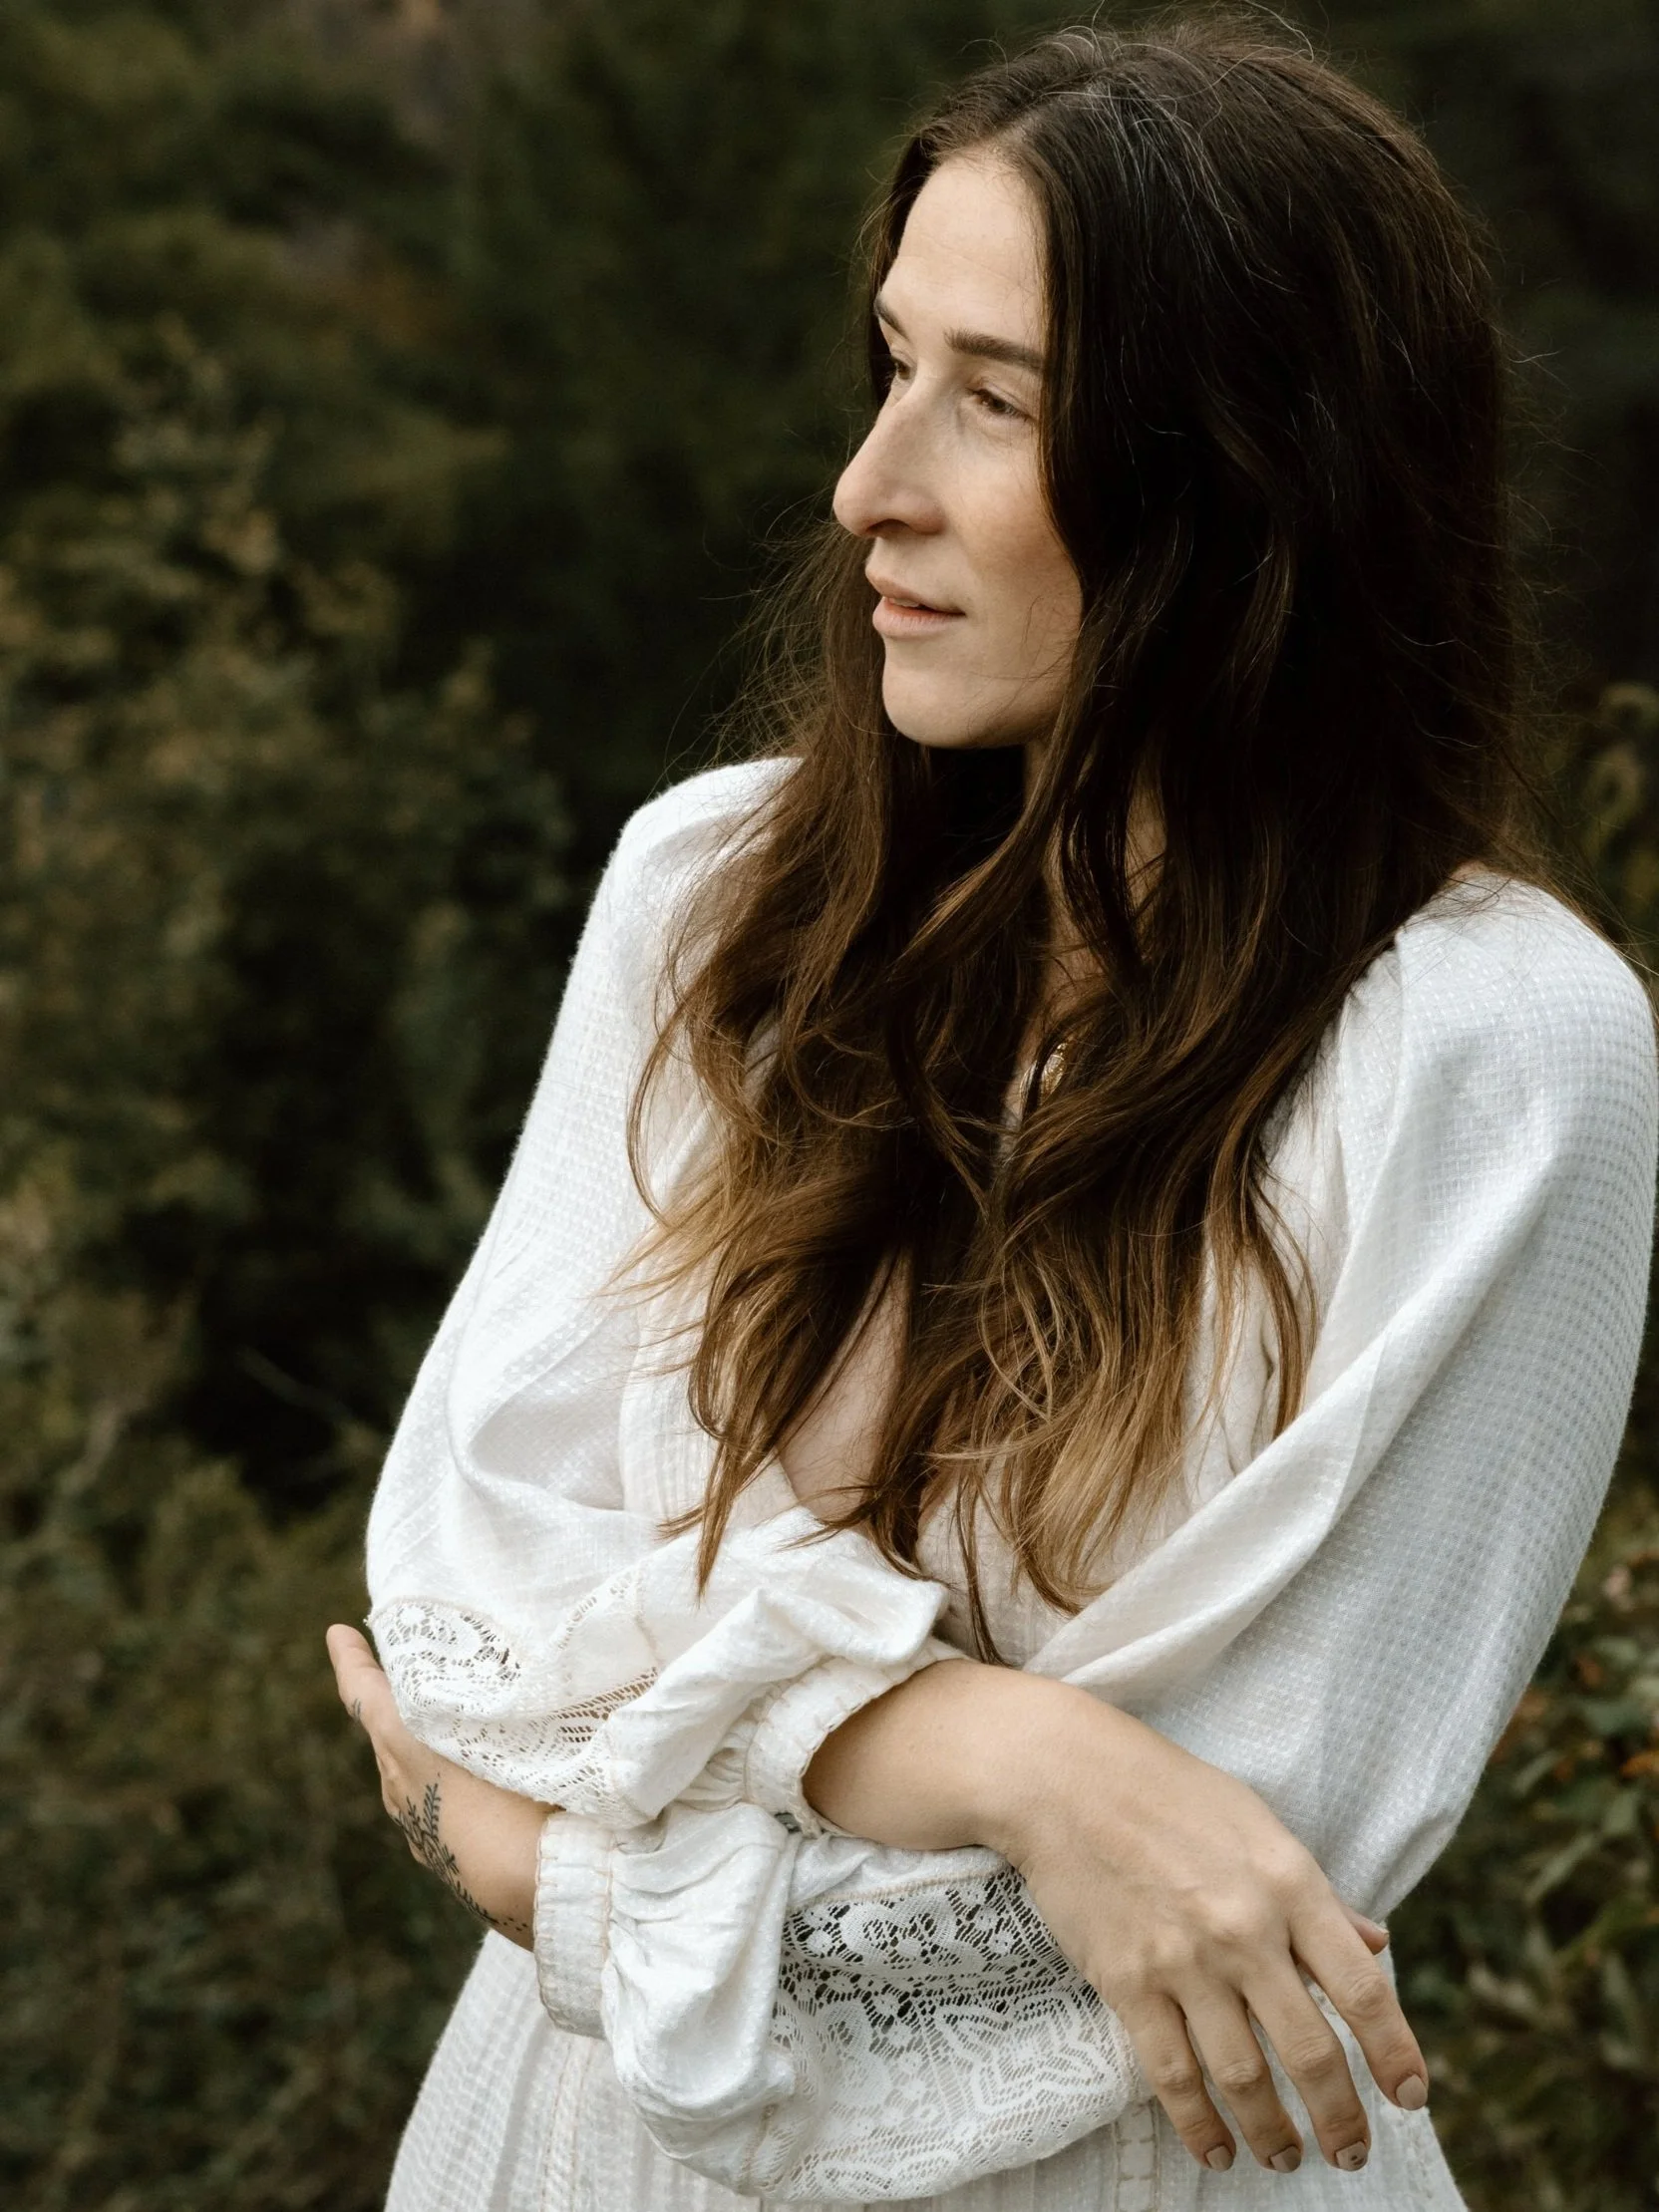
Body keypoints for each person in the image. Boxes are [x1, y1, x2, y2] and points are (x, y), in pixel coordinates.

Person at [327, 15, 1658, 2210]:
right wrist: (1011, 1750)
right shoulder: (716, 898)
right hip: (564, 2152)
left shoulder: (1495, 1047)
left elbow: (1154, 1935)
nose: (872, 484)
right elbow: (483, 1595)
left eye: (998, 400)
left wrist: (535, 1865)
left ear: (1253, 482)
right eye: (890, 365)